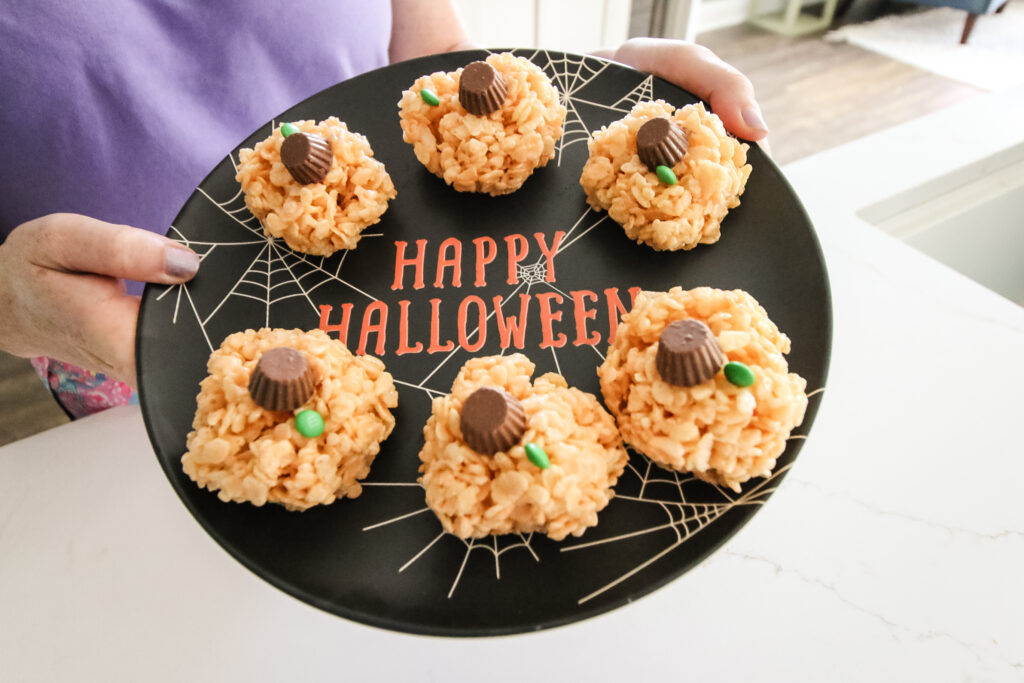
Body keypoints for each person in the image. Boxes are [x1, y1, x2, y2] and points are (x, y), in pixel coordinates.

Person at [0, 0, 768, 418]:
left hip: (411, 281)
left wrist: (577, 114)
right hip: (126, 342)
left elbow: (429, 55)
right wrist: (6, 302)